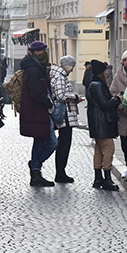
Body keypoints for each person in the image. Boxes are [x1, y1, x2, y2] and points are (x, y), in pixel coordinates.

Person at [20, 40, 55, 186]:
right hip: (37, 111)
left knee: (39, 141)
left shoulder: (36, 67)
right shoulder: (34, 70)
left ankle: (36, 172)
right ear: (36, 53)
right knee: (52, 143)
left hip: (37, 112)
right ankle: (35, 165)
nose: (45, 54)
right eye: (43, 51)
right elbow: (36, 93)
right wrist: (48, 103)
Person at [86, 60, 120, 191]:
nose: (106, 73)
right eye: (105, 70)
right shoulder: (98, 85)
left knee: (99, 151)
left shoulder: (93, 84)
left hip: (97, 123)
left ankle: (98, 178)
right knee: (108, 149)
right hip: (102, 123)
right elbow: (105, 105)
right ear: (101, 72)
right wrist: (117, 99)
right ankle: (107, 179)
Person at [49, 55, 82, 183]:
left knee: (63, 143)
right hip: (65, 116)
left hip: (66, 114)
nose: (72, 70)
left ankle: (61, 171)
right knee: (64, 144)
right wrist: (74, 97)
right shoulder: (60, 77)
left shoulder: (58, 75)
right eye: (72, 67)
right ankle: (60, 172)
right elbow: (61, 95)